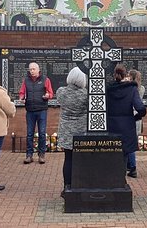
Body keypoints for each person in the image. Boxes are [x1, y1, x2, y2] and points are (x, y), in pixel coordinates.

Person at [106, 64, 147, 178]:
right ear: (125, 75)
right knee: (124, 155)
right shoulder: (132, 89)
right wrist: (135, 118)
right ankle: (121, 182)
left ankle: (111, 181)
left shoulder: (107, 89)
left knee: (111, 155)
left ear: (114, 75)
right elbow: (141, 109)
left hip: (110, 126)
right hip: (126, 126)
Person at [56, 67, 88, 198]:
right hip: (81, 130)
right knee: (81, 160)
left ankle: (67, 186)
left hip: (66, 129)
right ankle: (80, 185)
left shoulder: (61, 92)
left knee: (68, 159)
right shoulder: (86, 94)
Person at [19, 62, 54, 164]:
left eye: (34, 69)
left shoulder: (45, 80)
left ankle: (41, 154)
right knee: (29, 134)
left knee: (42, 134)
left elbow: (51, 93)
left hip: (42, 110)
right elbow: (22, 92)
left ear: (38, 70)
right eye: (30, 69)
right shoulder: (26, 80)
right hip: (30, 110)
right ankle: (29, 155)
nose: (32, 71)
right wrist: (21, 98)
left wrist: (48, 96)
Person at [126, 70, 145, 178]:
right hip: (138, 116)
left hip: (131, 116)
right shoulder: (141, 88)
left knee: (129, 144)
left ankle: (132, 166)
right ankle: (130, 165)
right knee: (132, 141)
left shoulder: (130, 88)